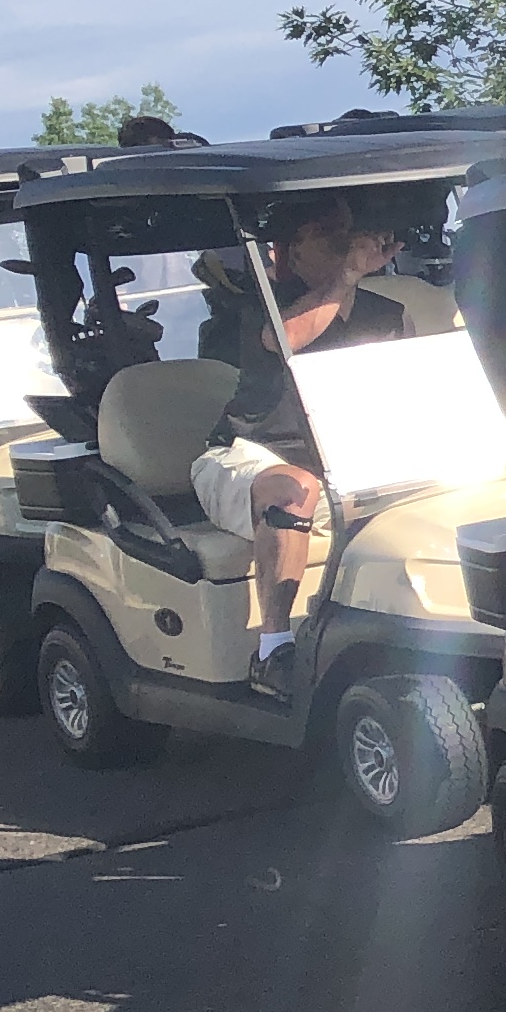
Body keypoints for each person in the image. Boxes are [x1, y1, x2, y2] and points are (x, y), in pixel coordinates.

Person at [192, 191, 404, 679]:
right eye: (327, 235)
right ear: (291, 250)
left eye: (347, 233)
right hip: (252, 456)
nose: (343, 243)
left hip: (347, 462)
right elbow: (287, 340)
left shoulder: (386, 313)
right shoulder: (264, 308)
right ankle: (274, 648)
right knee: (295, 491)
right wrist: (345, 277)